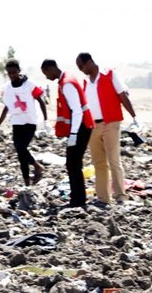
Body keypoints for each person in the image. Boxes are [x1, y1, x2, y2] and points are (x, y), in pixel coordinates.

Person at [76, 53, 137, 206]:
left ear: (89, 62)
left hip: (111, 123)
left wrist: (134, 117)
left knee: (113, 160)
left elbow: (122, 96)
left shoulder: (109, 74)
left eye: (81, 66)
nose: (81, 70)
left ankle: (121, 196)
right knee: (99, 163)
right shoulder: (85, 83)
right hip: (92, 126)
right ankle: (103, 198)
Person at [40, 59, 94, 208]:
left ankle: (77, 201)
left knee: (73, 164)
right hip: (81, 126)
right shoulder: (66, 80)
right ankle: (77, 199)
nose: (46, 77)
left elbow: (77, 111)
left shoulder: (67, 83)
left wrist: (74, 134)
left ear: (51, 69)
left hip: (81, 127)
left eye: (46, 73)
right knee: (74, 164)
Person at [0, 59, 50, 186]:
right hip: (17, 122)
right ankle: (27, 183)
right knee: (20, 152)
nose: (12, 75)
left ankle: (37, 166)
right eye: (9, 73)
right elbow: (7, 107)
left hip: (30, 121)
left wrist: (46, 120)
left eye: (14, 72)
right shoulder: (7, 88)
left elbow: (41, 101)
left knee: (22, 148)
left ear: (19, 71)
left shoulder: (29, 84)